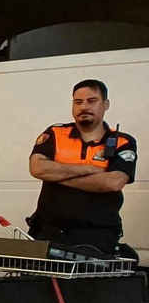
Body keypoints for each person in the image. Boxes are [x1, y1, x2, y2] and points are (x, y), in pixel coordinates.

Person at [27, 79, 138, 255]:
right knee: (42, 283)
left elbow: (113, 182)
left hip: (97, 237)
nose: (84, 107)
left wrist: (57, 175)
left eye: (91, 101)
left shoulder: (123, 142)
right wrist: (89, 168)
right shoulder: (55, 133)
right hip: (49, 233)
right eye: (78, 102)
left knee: (88, 284)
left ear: (106, 104)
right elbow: (37, 168)